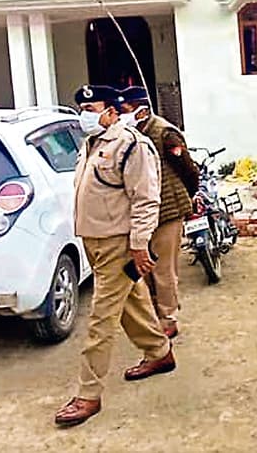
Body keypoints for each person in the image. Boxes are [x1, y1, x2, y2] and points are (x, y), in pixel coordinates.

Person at [55, 85, 175, 428]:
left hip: (118, 244)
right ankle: (160, 352)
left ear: (111, 111)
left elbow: (145, 199)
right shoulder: (92, 143)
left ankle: (88, 394)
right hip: (94, 240)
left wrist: (139, 244)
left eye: (91, 109)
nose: (85, 115)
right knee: (132, 302)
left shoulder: (132, 145)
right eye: (82, 109)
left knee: (101, 317)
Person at [119, 86, 199, 339]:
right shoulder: (129, 135)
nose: (121, 115)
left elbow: (188, 169)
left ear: (141, 111)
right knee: (144, 268)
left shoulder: (164, 133)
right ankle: (153, 314)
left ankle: (168, 318)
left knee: (164, 270)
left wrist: (188, 196)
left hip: (168, 210)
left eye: (125, 110)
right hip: (141, 213)